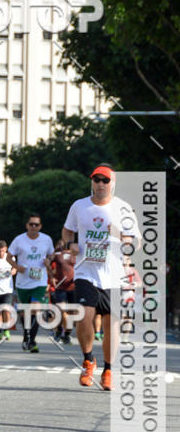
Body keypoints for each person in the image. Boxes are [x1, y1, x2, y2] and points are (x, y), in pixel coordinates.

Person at [62, 164, 137, 390]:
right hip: (86, 271)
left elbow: (135, 242)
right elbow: (67, 230)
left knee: (111, 324)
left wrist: (119, 235)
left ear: (112, 183)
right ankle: (88, 361)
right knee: (84, 316)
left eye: (105, 180)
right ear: (92, 182)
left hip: (113, 275)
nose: (100, 184)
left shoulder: (123, 208)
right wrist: (70, 244)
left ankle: (108, 370)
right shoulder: (79, 206)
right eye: (97, 180)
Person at [7, 214, 54, 353]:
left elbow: (51, 254)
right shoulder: (19, 240)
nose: (34, 227)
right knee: (25, 312)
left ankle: (31, 340)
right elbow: (9, 257)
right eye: (31, 224)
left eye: (36, 225)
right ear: (27, 225)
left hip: (39, 281)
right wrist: (17, 267)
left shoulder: (46, 239)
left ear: (40, 226)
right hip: (23, 283)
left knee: (35, 309)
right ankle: (27, 336)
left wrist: (49, 260)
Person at [51, 240, 78, 344]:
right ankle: (58, 330)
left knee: (72, 313)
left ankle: (67, 334)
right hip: (60, 287)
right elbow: (47, 262)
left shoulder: (77, 255)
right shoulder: (58, 254)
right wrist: (51, 277)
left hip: (73, 287)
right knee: (61, 310)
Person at [0, 240, 16, 340]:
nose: (1, 253)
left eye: (3, 251)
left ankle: (6, 330)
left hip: (7, 289)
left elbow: (15, 269)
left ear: (6, 249)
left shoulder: (11, 257)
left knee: (6, 309)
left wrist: (10, 273)